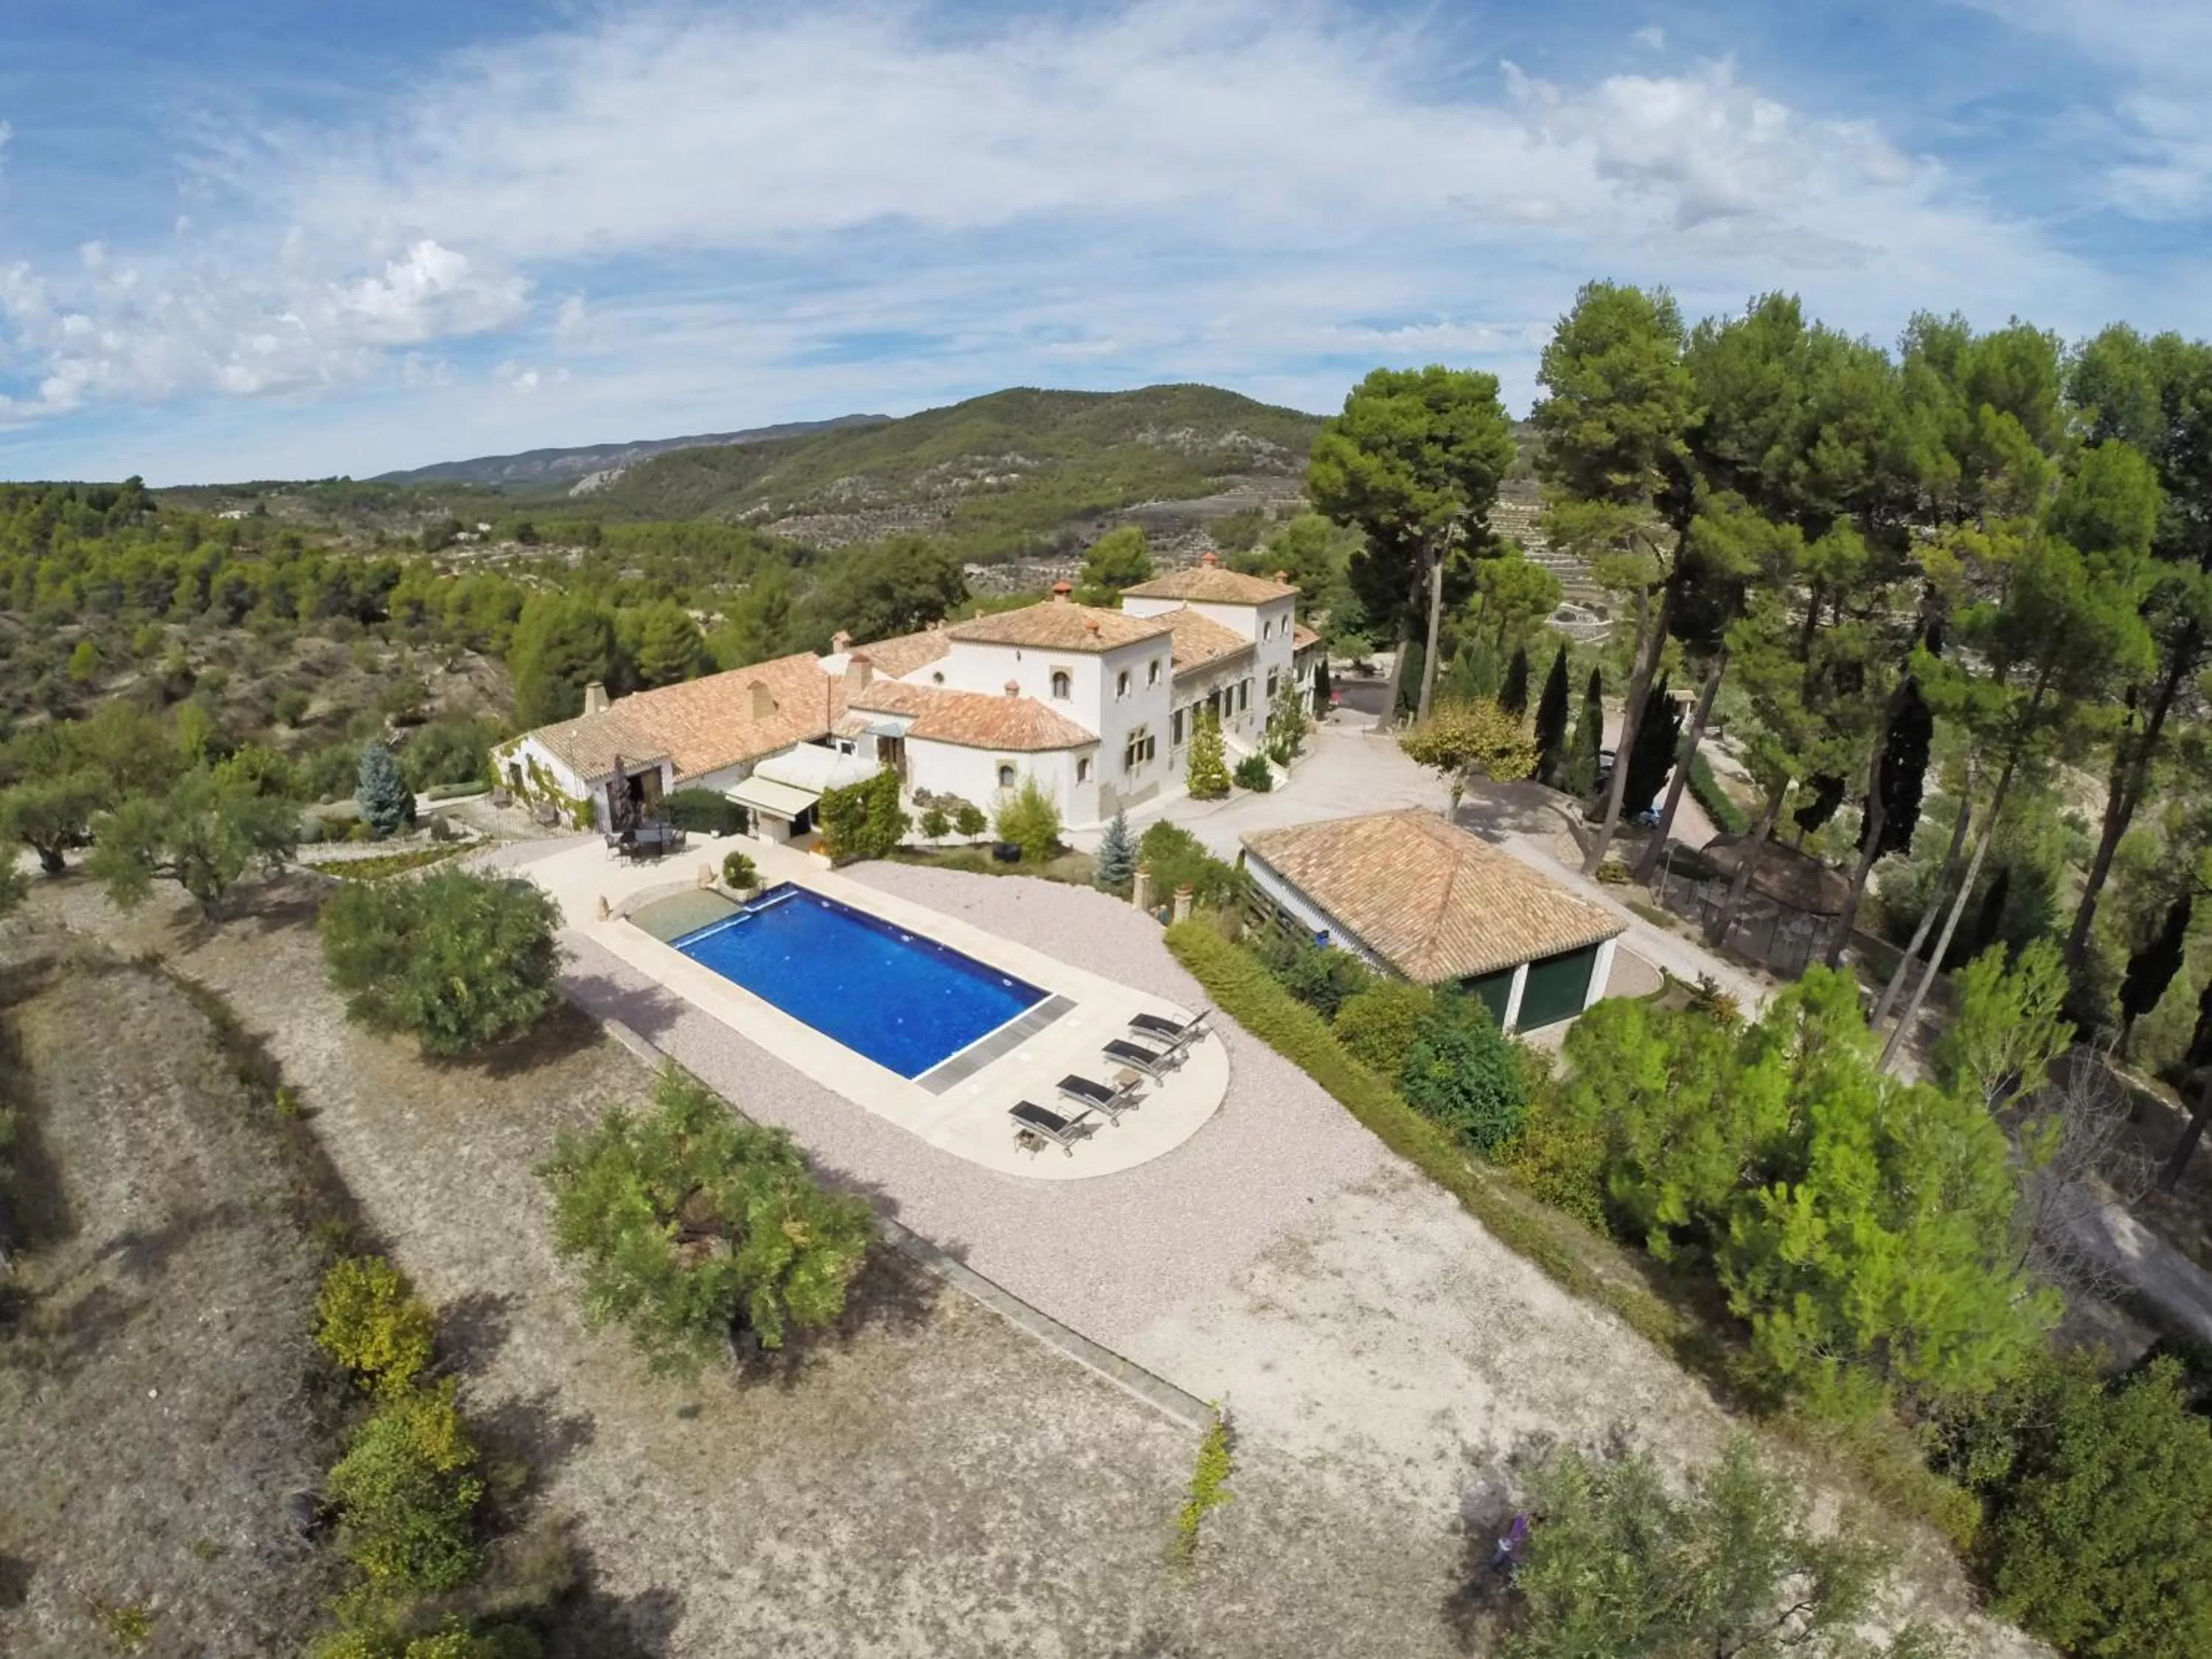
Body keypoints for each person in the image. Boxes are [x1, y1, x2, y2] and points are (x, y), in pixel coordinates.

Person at [1489, 1510, 1531, 1576]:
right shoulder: (1521, 1519)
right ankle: (1493, 1567)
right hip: (1510, 1543)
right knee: (1501, 1556)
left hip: (1512, 1544)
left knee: (1504, 1556)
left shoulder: (1524, 1523)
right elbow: (1511, 1522)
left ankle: (1496, 1567)